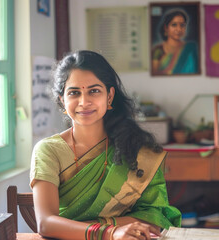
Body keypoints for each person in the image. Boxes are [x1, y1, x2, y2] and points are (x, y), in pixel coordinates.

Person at [30, 50, 181, 240]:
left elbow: (154, 219)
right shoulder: (49, 151)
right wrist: (110, 231)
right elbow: (46, 223)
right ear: (62, 100)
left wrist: (85, 227)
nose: (84, 102)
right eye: (74, 93)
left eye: (94, 91)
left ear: (109, 97)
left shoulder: (137, 150)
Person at [152, 9, 198, 75]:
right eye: (174, 25)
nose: (179, 29)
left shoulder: (190, 48)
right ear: (166, 28)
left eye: (182, 25)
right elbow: (154, 75)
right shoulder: (157, 50)